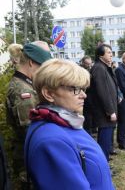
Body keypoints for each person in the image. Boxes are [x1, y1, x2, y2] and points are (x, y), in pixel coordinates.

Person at [24, 59, 115, 190]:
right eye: (75, 89)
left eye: (83, 88)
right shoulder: (52, 141)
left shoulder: (62, 122)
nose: (84, 95)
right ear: (49, 93)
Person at [5, 41, 52, 188]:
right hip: (29, 162)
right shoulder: (22, 91)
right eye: (42, 67)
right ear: (31, 63)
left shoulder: (26, 84)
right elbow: (30, 130)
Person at [88, 44, 118, 161]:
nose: (111, 55)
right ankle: (103, 165)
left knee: (107, 140)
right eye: (108, 52)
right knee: (104, 141)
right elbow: (102, 91)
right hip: (104, 112)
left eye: (111, 52)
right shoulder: (99, 68)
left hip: (107, 111)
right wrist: (110, 111)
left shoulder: (104, 67)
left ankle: (105, 163)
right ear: (100, 55)